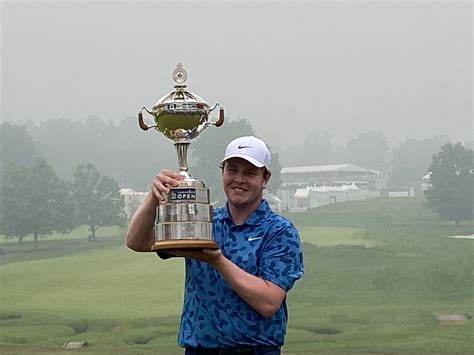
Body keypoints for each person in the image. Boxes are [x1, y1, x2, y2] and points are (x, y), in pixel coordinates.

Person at [127, 136, 304, 355]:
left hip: (255, 350)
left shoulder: (279, 231)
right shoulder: (204, 220)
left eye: (249, 173)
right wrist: (155, 196)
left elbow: (268, 302)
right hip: (199, 350)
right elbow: (137, 240)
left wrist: (218, 261)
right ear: (222, 172)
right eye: (232, 170)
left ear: (265, 178)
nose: (239, 179)